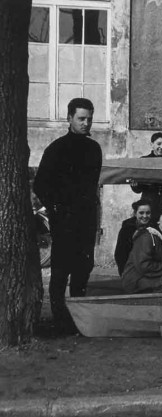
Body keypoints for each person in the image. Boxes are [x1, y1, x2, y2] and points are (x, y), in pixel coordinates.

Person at [33, 97, 102, 334]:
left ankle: (78, 318)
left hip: (86, 219)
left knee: (83, 268)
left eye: (89, 119)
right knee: (61, 269)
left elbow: (91, 186)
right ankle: (59, 319)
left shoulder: (94, 149)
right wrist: (56, 209)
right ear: (69, 118)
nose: (86, 123)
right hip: (64, 221)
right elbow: (40, 185)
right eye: (81, 118)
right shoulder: (56, 149)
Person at [122, 202, 162, 293]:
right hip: (137, 280)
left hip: (154, 276)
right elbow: (144, 266)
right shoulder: (147, 237)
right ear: (158, 220)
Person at [131, 132, 162, 222]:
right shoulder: (143, 161)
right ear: (152, 144)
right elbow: (138, 189)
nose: (161, 147)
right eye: (158, 144)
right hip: (148, 206)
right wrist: (135, 185)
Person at [114, 199, 154, 276]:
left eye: (148, 213)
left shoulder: (154, 228)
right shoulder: (127, 229)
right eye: (141, 213)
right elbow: (120, 254)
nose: (145, 216)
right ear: (135, 213)